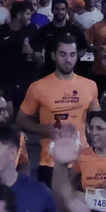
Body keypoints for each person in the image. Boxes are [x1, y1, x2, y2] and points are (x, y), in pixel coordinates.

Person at [15, 35, 101, 186]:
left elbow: (98, 120)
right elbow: (20, 121)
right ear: (54, 55)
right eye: (63, 54)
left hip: (82, 160)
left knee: (81, 201)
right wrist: (43, 129)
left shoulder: (90, 85)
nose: (68, 59)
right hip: (50, 162)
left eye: (72, 54)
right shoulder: (38, 87)